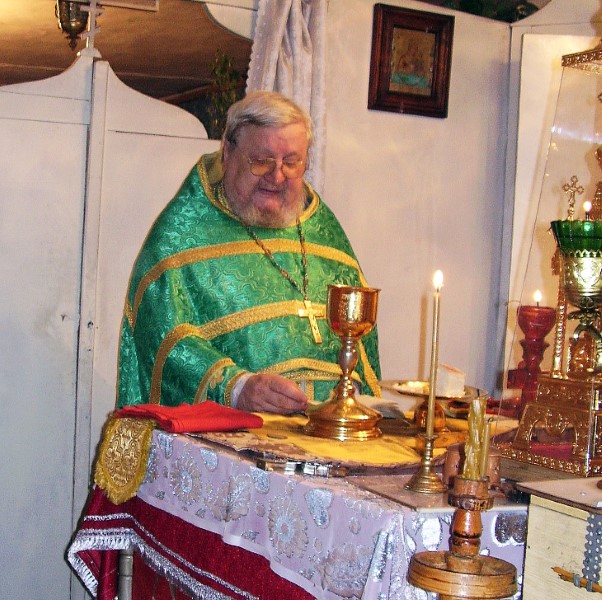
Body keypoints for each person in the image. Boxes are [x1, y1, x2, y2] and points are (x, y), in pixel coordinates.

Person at [117, 91, 381, 414]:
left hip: (330, 431)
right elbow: (162, 337)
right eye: (262, 161)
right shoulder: (182, 234)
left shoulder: (324, 233)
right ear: (228, 152)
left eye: (292, 163)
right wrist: (237, 387)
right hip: (236, 432)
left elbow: (363, 344)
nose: (277, 176)